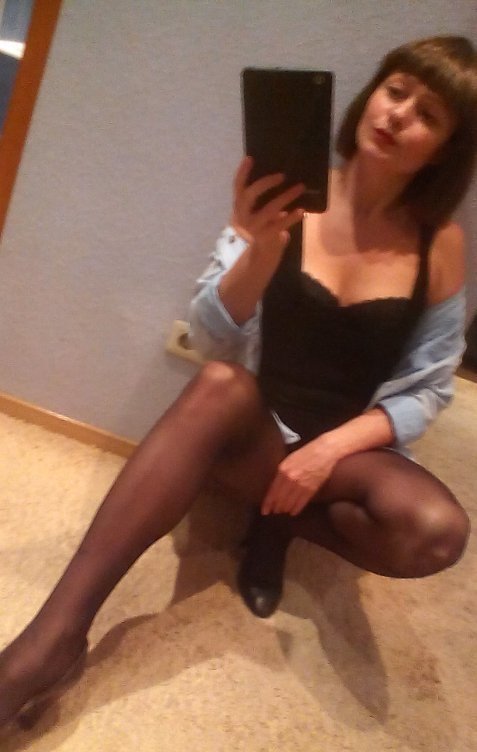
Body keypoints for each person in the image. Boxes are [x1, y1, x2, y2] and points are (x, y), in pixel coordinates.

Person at [1, 34, 476, 730]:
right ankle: (48, 645)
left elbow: (428, 389)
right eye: (395, 90)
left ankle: (276, 522)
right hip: (249, 434)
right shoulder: (286, 196)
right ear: (371, 95)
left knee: (435, 533)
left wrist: (325, 453)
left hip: (348, 455)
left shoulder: (440, 245)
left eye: (427, 114)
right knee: (219, 383)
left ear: (443, 151)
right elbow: (207, 335)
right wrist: (261, 248)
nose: (398, 114)